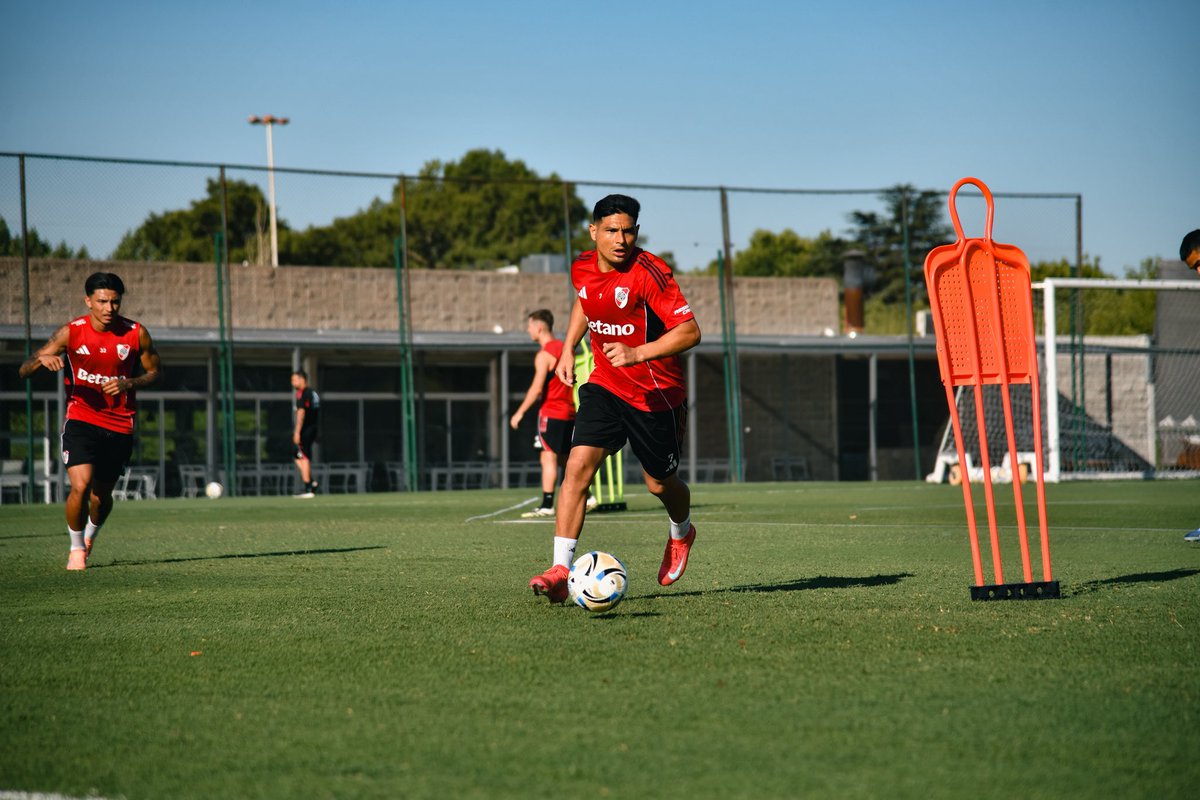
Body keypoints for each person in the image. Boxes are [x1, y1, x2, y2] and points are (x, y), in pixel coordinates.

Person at [529, 194, 701, 603]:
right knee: (577, 465)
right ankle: (559, 567)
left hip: (655, 394)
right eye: (611, 230)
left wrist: (637, 352)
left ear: (636, 232)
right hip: (606, 385)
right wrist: (569, 346)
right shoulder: (582, 267)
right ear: (594, 232)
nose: (621, 239)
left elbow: (691, 332)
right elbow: (586, 302)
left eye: (628, 230)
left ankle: (682, 531)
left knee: (659, 485)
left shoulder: (651, 274)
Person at [18, 272, 161, 571]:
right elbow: (24, 369)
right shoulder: (71, 332)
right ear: (88, 301)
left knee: (100, 497)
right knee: (80, 487)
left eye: (115, 302)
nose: (109, 308)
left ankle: (90, 538)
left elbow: (154, 372)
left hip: (120, 424)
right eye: (102, 301)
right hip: (81, 418)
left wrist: (129, 383)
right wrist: (40, 361)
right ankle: (75, 549)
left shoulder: (136, 333)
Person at [509, 309, 579, 518]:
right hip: (569, 411)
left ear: (539, 327)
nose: (528, 330)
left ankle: (547, 504)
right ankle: (587, 495)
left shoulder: (545, 354)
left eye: (529, 326)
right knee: (566, 459)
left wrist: (519, 413)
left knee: (547, 458)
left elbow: (536, 388)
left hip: (551, 411)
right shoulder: (564, 349)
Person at [291, 370, 321, 498]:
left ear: (302, 379)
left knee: (304, 456)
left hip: (306, 429)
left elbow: (301, 413)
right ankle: (311, 482)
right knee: (297, 455)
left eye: (294, 380)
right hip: (312, 428)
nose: (292, 383)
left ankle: (308, 487)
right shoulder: (313, 393)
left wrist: (297, 432)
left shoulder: (304, 393)